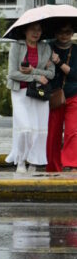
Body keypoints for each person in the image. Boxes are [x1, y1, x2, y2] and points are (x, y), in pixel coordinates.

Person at [5, 22, 54, 174]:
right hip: (20, 92)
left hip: (38, 94)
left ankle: (34, 162)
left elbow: (51, 73)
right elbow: (13, 73)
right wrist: (37, 76)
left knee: (39, 131)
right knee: (25, 129)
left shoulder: (46, 47)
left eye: (39, 30)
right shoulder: (16, 47)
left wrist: (33, 71)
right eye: (32, 29)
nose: (36, 32)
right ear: (25, 31)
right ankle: (20, 160)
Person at [46, 22, 76, 172]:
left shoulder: (75, 49)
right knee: (53, 132)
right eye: (60, 31)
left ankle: (72, 164)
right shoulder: (48, 47)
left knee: (72, 131)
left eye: (68, 32)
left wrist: (59, 62)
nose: (64, 35)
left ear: (72, 33)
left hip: (73, 95)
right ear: (55, 33)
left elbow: (75, 74)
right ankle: (53, 166)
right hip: (54, 95)